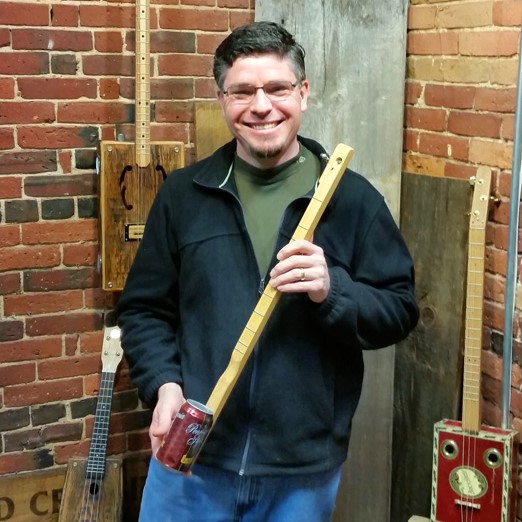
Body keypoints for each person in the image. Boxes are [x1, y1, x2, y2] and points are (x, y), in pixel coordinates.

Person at [117, 20, 419, 522]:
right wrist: (164, 385)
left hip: (300, 474)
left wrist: (333, 291)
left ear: (302, 93)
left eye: (277, 88)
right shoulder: (184, 196)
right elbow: (145, 308)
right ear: (222, 100)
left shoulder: (352, 199)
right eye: (242, 91)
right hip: (192, 461)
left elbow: (400, 308)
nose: (261, 105)